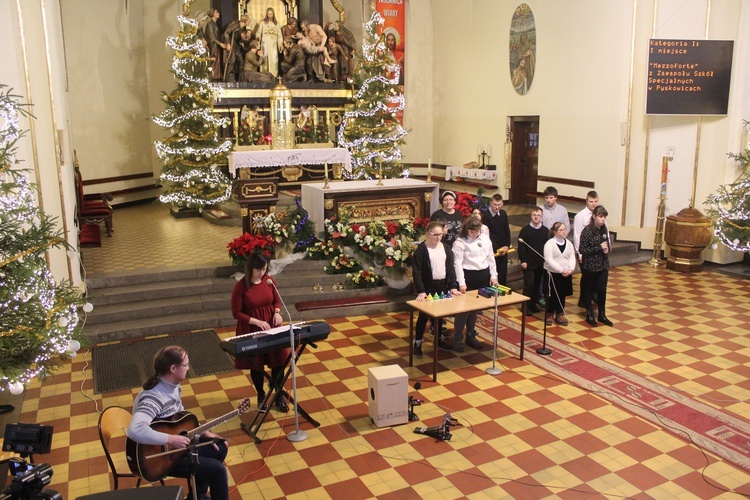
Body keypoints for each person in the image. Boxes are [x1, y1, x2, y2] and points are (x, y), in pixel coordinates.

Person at [127, 346, 229, 500]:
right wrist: (171, 439)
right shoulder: (153, 398)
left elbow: (181, 419)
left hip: (176, 449)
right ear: (173, 368)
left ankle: (197, 496)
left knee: (220, 447)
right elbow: (135, 430)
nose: (188, 368)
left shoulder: (173, 386)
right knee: (218, 471)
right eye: (186, 365)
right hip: (159, 458)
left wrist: (204, 432)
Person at [230, 253, 289, 412]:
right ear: (250, 268)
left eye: (264, 269)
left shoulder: (269, 281)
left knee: (278, 360)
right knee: (256, 364)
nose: (261, 273)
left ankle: (278, 394)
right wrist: (256, 321)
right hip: (252, 327)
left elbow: (277, 300)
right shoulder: (241, 286)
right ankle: (261, 394)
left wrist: (277, 312)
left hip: (271, 325)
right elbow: (236, 313)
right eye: (258, 270)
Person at [411, 221, 462, 356]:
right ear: (428, 234)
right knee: (423, 316)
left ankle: (438, 340)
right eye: (435, 235)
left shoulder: (445, 248)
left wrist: (452, 286)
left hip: (442, 286)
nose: (438, 237)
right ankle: (418, 343)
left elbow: (450, 269)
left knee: (439, 316)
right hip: (427, 287)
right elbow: (417, 272)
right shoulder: (422, 250)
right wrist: (421, 290)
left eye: (440, 234)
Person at [452, 216, 498, 352]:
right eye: (473, 232)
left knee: (475, 309)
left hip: (482, 275)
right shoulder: (460, 242)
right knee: (464, 310)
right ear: (467, 230)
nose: (475, 234)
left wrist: (493, 275)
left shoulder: (484, 239)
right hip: (468, 276)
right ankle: (457, 337)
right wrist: (461, 282)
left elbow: (491, 257)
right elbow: (457, 263)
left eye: (477, 231)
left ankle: (470, 335)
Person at [579, 206, 613, 327]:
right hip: (590, 265)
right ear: (594, 216)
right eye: (600, 216)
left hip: (603, 264)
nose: (603, 219)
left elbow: (607, 244)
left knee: (602, 289)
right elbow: (582, 249)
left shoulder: (604, 229)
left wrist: (607, 248)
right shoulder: (587, 231)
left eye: (604, 217)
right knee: (588, 289)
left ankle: (602, 315)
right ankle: (589, 314)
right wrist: (599, 248)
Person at [543, 222, 576, 326]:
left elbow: (572, 257)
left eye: (564, 229)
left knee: (562, 295)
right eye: (561, 230)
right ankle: (549, 314)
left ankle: (560, 314)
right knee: (552, 295)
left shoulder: (569, 243)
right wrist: (561, 270)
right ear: (555, 231)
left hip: (566, 274)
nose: (563, 232)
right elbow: (549, 260)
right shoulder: (549, 244)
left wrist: (570, 269)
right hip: (553, 274)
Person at [517, 207, 547, 315]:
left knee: (537, 285)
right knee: (529, 285)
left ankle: (533, 304)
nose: (536, 217)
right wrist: (523, 260)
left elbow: (547, 247)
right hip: (529, 264)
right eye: (534, 215)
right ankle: (525, 307)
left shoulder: (545, 231)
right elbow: (521, 248)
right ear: (531, 216)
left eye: (538, 215)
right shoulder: (525, 231)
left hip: (540, 263)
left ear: (541, 216)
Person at [573, 190, 600, 307]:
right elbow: (577, 235)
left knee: (596, 275)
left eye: (596, 201)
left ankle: (593, 296)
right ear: (586, 201)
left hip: (597, 250)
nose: (593, 204)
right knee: (587, 276)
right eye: (591, 201)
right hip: (584, 251)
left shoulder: (600, 214)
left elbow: (606, 232)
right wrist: (579, 252)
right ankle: (583, 299)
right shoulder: (580, 216)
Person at [482, 194, 511, 286]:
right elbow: (487, 235)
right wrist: (496, 248)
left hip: (503, 249)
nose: (497, 207)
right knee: (493, 272)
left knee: (503, 273)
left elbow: (507, 230)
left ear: (502, 203)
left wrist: (507, 245)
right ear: (490, 203)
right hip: (493, 249)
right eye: (495, 204)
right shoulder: (486, 215)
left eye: (499, 204)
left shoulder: (503, 214)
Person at [258, 8, 283, 77]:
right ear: (266, 14)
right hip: (264, 44)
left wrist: (280, 43)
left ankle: (273, 76)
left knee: (274, 60)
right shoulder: (262, 23)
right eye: (268, 14)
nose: (270, 16)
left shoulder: (276, 24)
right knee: (264, 60)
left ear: (273, 14)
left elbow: (280, 35)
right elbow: (259, 32)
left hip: (273, 45)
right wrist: (257, 37)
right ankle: (264, 76)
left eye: (271, 14)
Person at [205, 9, 228, 80]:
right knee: (214, 62)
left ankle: (217, 76)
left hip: (217, 45)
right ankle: (213, 76)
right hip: (213, 46)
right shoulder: (210, 24)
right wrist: (220, 43)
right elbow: (212, 37)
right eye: (216, 12)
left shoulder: (216, 24)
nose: (218, 13)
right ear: (213, 14)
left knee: (218, 62)